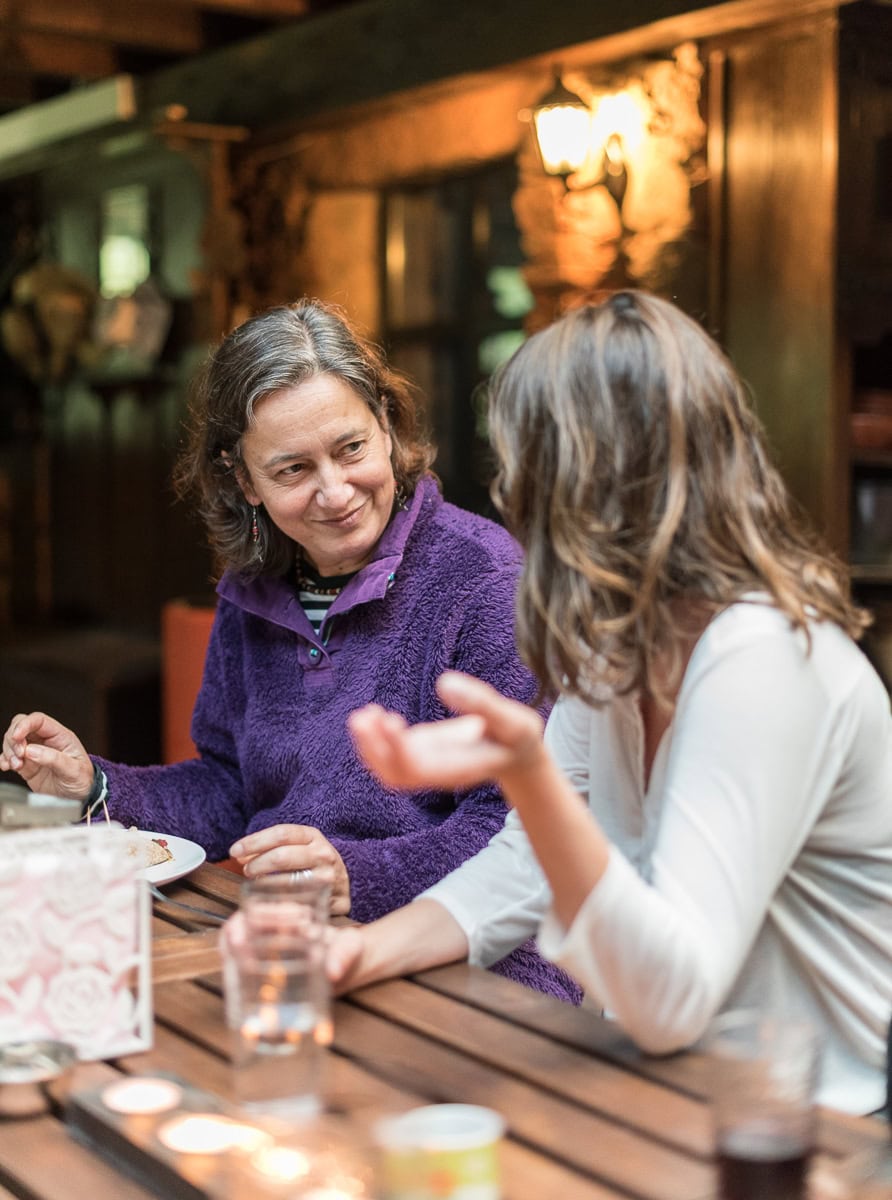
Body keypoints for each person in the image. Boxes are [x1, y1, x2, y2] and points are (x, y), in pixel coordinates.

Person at [330, 289, 892, 1115]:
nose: (506, 489)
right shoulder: (620, 640)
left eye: (521, 461)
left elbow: (669, 1000)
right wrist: (359, 956)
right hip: (677, 1098)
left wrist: (528, 773)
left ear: (588, 481)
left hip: (819, 1135)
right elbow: (528, 863)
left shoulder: (765, 659)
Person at [0, 297, 580, 1004]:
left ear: (389, 429)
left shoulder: (485, 580)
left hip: (470, 974)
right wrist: (94, 785)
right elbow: (229, 790)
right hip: (284, 944)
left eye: (351, 449)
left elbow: (520, 834)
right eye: (292, 470)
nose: (334, 492)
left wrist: (354, 874)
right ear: (244, 481)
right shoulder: (252, 591)